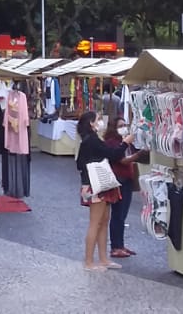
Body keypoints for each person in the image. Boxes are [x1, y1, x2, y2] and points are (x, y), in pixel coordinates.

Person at [76, 111, 134, 271]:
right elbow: (113, 154)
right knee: (96, 222)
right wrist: (126, 143)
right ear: (91, 124)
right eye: (99, 119)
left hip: (99, 184)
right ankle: (89, 261)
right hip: (96, 185)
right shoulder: (92, 141)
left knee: (103, 221)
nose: (101, 122)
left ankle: (102, 258)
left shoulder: (91, 140)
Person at [103, 116, 144, 259]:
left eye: (125, 125)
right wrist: (138, 155)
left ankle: (119, 245)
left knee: (122, 214)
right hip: (118, 179)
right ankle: (116, 246)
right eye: (121, 125)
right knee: (118, 214)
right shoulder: (113, 143)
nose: (124, 127)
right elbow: (121, 159)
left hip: (126, 179)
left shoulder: (123, 141)